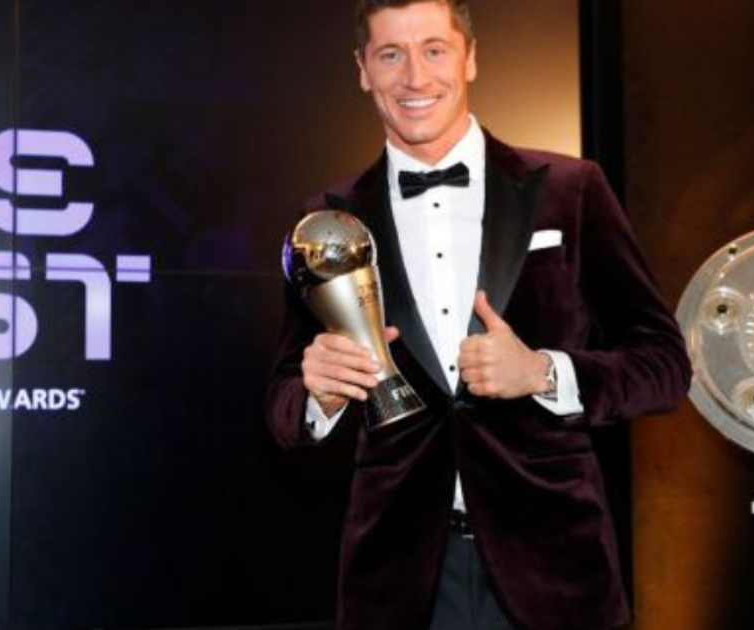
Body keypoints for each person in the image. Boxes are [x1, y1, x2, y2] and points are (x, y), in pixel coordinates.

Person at [264, 1, 691, 629]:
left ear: (469, 58)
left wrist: (542, 372)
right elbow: (282, 405)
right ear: (362, 69)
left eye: (434, 50)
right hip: (397, 581)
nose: (415, 77)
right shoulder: (327, 220)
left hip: (555, 570)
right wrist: (317, 395)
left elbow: (664, 366)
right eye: (391, 54)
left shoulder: (571, 190)